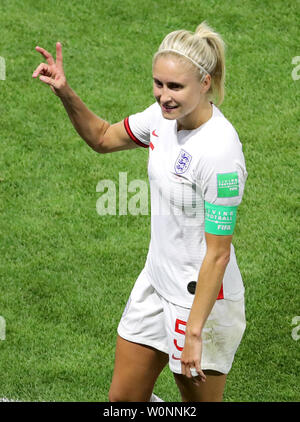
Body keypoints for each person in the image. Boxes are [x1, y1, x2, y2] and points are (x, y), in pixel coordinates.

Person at [33, 21, 247, 402]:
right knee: (123, 403)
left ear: (206, 82)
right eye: (158, 83)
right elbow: (101, 137)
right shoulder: (161, 120)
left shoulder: (220, 154)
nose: (163, 96)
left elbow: (218, 254)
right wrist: (64, 91)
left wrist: (194, 333)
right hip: (155, 283)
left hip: (201, 305)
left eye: (175, 87)